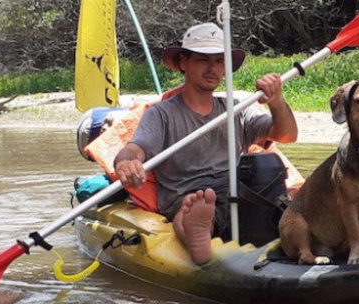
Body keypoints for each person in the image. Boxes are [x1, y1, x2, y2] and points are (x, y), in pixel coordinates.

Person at [113, 22, 298, 265]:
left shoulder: (235, 110)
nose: (213, 68)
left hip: (235, 188)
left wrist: (276, 102)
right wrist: (126, 163)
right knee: (197, 205)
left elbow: (287, 135)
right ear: (183, 63)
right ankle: (193, 229)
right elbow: (135, 149)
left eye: (220, 61)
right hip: (186, 194)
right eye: (203, 60)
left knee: (267, 169)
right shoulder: (161, 114)